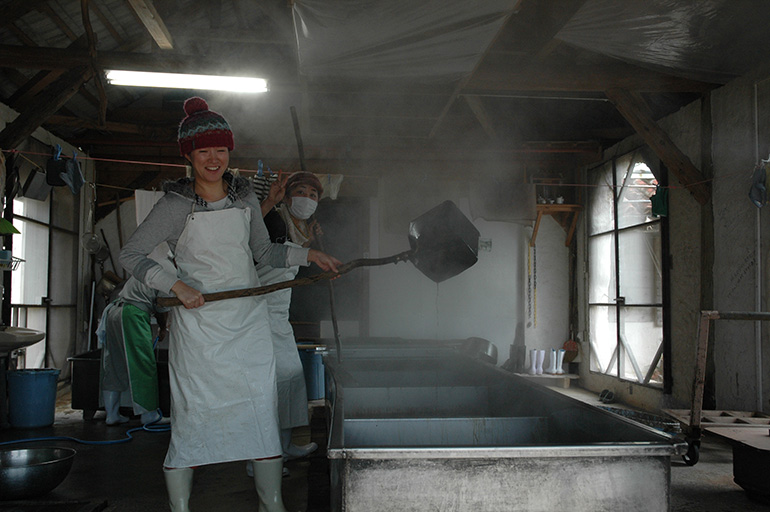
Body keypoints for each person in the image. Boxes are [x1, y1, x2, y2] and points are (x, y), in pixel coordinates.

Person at [119, 97, 341, 512]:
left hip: (247, 329)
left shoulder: (243, 200)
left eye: (220, 149)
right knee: (193, 419)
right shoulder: (174, 204)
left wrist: (309, 256)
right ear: (189, 154)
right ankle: (180, 508)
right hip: (200, 332)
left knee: (259, 415)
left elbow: (265, 254)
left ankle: (272, 503)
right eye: (204, 150)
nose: (214, 158)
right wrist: (175, 284)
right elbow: (130, 255)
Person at [250, 171, 326, 477]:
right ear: (287, 194)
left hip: (278, 313)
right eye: (300, 191)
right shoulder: (274, 220)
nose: (306, 199)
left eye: (313, 194)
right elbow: (249, 233)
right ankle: (259, 461)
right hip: (257, 310)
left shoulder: (303, 228)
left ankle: (283, 446)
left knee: (291, 378)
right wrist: (269, 201)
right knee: (266, 387)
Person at [98, 271, 170, 426]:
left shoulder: (148, 265)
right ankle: (149, 415)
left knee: (114, 363)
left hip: (114, 312)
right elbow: (161, 306)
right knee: (143, 362)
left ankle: (112, 415)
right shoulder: (167, 272)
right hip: (133, 313)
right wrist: (162, 328)